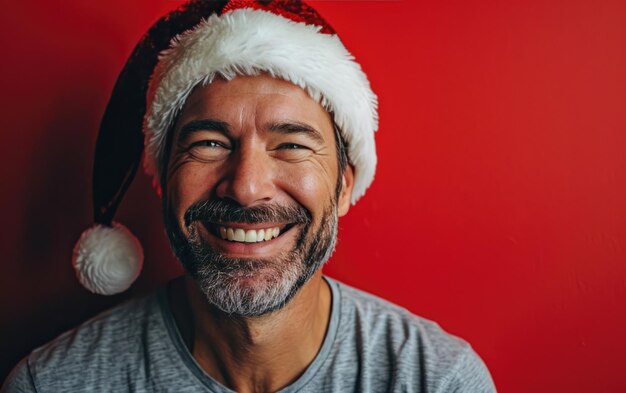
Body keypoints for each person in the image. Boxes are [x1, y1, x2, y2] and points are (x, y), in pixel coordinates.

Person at [2, 1, 496, 392]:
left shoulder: (437, 380)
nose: (246, 186)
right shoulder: (51, 383)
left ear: (344, 185)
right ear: (164, 176)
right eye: (209, 144)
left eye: (292, 145)